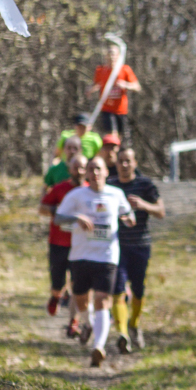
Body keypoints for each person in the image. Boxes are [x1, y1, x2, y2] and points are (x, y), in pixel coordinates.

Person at [54, 156, 135, 367]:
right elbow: (58, 218)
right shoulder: (77, 195)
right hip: (81, 255)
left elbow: (129, 216)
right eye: (91, 169)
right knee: (81, 300)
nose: (95, 173)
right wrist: (77, 218)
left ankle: (98, 347)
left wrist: (129, 219)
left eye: (98, 169)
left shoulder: (116, 194)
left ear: (106, 172)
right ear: (87, 174)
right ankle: (88, 324)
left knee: (102, 299)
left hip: (107, 256)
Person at [107, 148, 165, 353]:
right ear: (116, 164)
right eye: (120, 161)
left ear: (135, 163)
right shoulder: (110, 186)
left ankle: (134, 324)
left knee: (138, 289)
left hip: (140, 245)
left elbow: (161, 212)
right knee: (118, 289)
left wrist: (143, 205)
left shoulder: (145, 184)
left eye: (128, 161)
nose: (124, 165)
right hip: (116, 247)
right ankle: (122, 334)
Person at [39, 154, 88, 327]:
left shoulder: (90, 190)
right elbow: (42, 208)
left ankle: (74, 321)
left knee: (77, 285)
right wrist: (58, 211)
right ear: (69, 170)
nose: (79, 171)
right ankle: (56, 296)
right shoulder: (60, 188)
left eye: (82, 167)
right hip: (58, 242)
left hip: (80, 244)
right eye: (76, 167)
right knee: (57, 283)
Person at [87, 43, 140, 138]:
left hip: (121, 109)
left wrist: (125, 84)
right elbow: (96, 84)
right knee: (111, 136)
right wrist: (90, 90)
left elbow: (137, 87)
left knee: (121, 136)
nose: (111, 57)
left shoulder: (125, 69)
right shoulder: (101, 70)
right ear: (106, 56)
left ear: (118, 55)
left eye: (113, 54)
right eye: (109, 54)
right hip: (107, 108)